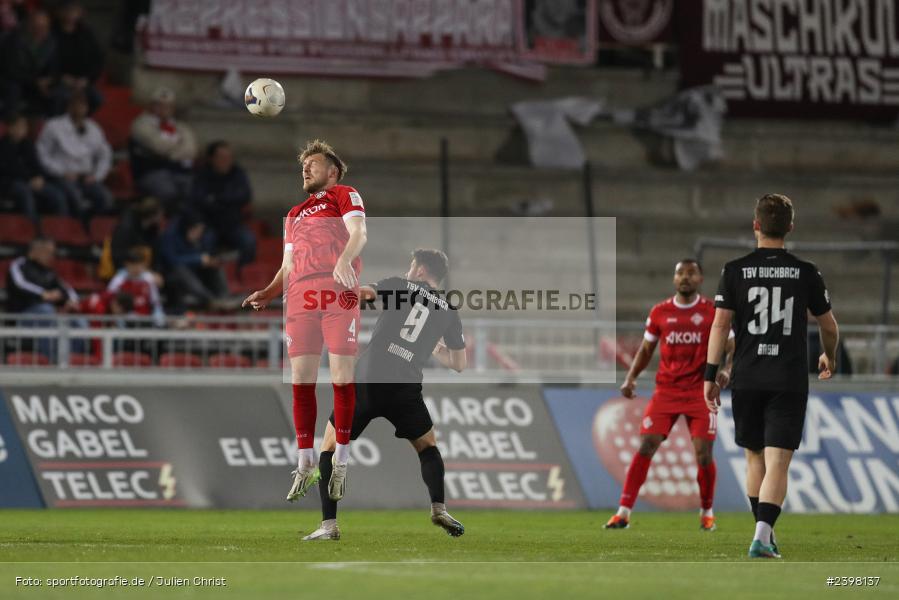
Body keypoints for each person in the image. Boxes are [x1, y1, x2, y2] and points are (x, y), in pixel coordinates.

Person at [704, 194, 839, 559]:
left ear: (756, 225)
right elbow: (829, 326)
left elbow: (720, 325)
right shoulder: (806, 272)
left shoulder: (734, 270)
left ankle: (763, 534)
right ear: (790, 227)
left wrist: (709, 375)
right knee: (778, 462)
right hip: (787, 379)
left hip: (747, 376)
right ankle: (762, 536)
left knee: (755, 458)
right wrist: (829, 356)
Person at [302, 249, 467, 541]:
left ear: (420, 270)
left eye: (411, 266)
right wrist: (434, 347)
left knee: (329, 447)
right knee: (428, 447)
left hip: (370, 380)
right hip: (405, 387)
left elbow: (363, 294)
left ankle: (329, 525)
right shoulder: (448, 310)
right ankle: (438, 508)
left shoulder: (400, 285)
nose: (408, 271)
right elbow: (459, 364)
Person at [242, 139, 367, 503]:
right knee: (301, 381)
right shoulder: (295, 214)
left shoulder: (344, 194)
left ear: (333, 171)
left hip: (337, 292)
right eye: (303, 165)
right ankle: (305, 461)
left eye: (313, 164)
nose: (306, 169)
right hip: (299, 298)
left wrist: (343, 260)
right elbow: (288, 265)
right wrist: (269, 292)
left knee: (342, 377)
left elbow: (359, 233)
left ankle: (341, 460)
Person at [604, 259, 734, 532]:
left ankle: (707, 512)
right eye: (680, 273)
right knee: (646, 445)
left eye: (691, 273)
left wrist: (727, 369)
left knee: (703, 454)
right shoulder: (660, 312)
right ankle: (623, 512)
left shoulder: (712, 311)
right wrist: (631, 377)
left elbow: (732, 345)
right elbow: (646, 350)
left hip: (700, 391)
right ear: (674, 279)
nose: (685, 277)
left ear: (700, 279)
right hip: (666, 390)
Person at [36, 92, 113, 222]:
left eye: (83, 105)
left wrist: (96, 176)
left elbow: (105, 155)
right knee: (75, 197)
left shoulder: (94, 128)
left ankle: (91, 226)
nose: (79, 108)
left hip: (86, 177)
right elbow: (42, 154)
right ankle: (76, 228)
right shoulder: (54, 126)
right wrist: (61, 172)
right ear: (69, 107)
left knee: (105, 198)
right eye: (76, 105)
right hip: (61, 176)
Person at [5, 237, 81, 359]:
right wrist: (43, 294)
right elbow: (20, 284)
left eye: (53, 253)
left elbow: (66, 289)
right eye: (49, 252)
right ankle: (53, 360)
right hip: (21, 315)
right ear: (35, 251)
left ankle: (72, 361)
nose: (52, 256)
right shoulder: (19, 265)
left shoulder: (49, 271)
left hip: (48, 313)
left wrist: (72, 301)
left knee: (77, 321)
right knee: (46, 312)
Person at [129, 86, 196, 212]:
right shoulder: (140, 125)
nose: (164, 109)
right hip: (151, 171)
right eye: (159, 105)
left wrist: (169, 155)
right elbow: (158, 146)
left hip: (180, 171)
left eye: (168, 106)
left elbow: (190, 151)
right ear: (151, 106)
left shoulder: (182, 127)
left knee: (195, 191)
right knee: (168, 192)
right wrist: (178, 144)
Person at [191, 140, 256, 265]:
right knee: (205, 243)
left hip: (232, 223)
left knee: (249, 242)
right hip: (209, 223)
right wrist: (227, 200)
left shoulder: (238, 173)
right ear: (211, 159)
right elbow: (200, 200)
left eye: (229, 157)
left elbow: (244, 195)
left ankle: (238, 270)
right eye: (221, 157)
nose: (226, 161)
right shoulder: (202, 175)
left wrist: (217, 199)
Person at [0, 113, 68, 225]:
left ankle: (61, 227)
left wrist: (39, 177)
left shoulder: (28, 144)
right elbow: (12, 169)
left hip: (32, 181)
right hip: (10, 182)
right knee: (25, 192)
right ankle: (31, 227)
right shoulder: (3, 145)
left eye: (24, 126)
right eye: (19, 126)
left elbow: (36, 164)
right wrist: (29, 180)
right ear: (10, 128)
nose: (23, 129)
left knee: (57, 195)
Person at [157, 211, 228, 312]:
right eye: (196, 231)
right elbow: (171, 260)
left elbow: (206, 253)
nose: (199, 234)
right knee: (180, 270)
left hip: (196, 271)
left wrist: (209, 260)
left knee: (214, 264)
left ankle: (224, 297)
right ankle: (210, 299)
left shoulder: (203, 236)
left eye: (200, 231)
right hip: (173, 274)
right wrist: (198, 259)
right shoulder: (170, 236)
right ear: (188, 228)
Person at [0, 10, 56, 117]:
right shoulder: (14, 40)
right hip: (14, 80)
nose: (41, 30)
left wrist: (50, 80)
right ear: (29, 25)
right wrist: (35, 82)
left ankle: (52, 124)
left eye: (44, 27)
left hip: (37, 81)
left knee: (59, 91)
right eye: (37, 26)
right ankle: (10, 122)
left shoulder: (51, 43)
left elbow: (55, 68)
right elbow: (11, 71)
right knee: (13, 89)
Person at [52, 1, 104, 114]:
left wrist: (86, 79)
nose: (70, 14)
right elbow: (47, 62)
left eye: (73, 10)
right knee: (62, 97)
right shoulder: (51, 33)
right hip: (59, 80)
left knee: (97, 99)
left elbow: (98, 60)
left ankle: (81, 121)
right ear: (59, 12)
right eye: (66, 10)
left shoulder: (86, 33)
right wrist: (61, 77)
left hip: (82, 81)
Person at [107, 247, 165, 327]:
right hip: (124, 319)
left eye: (139, 264)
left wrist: (158, 316)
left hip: (145, 320)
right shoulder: (119, 279)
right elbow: (110, 299)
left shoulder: (149, 279)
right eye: (133, 265)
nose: (136, 268)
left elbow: (155, 302)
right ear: (127, 264)